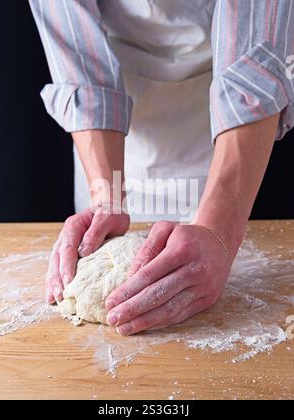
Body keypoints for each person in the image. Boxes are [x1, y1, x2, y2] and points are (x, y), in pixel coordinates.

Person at [29, 0, 294, 335]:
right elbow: (79, 55)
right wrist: (106, 196)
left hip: (230, 123)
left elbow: (256, 65)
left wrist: (219, 231)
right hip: (118, 123)